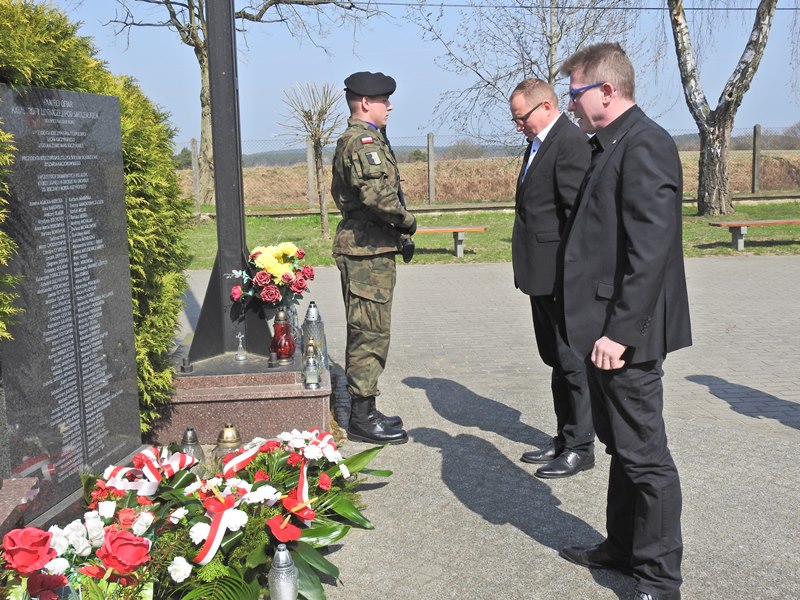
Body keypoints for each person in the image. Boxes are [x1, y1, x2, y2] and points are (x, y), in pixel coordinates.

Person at [556, 43, 692, 600]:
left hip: (623, 334)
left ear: (607, 91)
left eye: (576, 93)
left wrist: (619, 333)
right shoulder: (611, 142)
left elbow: (650, 250)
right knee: (622, 448)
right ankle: (622, 546)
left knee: (645, 457)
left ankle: (659, 579)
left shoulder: (645, 144)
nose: (570, 104)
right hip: (602, 328)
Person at [508, 78, 594, 479]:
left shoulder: (570, 143)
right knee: (556, 359)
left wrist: (573, 277)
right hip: (540, 275)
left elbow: (578, 217)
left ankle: (581, 446)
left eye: (521, 117)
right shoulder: (539, 142)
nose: (518, 125)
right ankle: (564, 436)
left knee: (572, 362)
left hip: (561, 276)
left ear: (545, 106)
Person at [330, 71, 417, 445]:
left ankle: (367, 407)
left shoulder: (368, 138)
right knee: (369, 332)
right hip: (365, 250)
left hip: (371, 248)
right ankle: (361, 418)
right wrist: (408, 221)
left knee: (372, 329)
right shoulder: (362, 142)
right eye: (384, 100)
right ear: (366, 103)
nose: (390, 106)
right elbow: (378, 197)